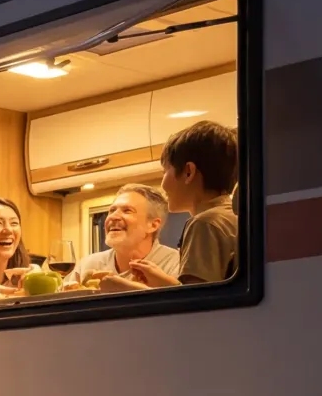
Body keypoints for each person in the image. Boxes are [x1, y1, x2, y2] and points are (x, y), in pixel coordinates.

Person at [101, 121, 239, 290]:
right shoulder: (230, 216)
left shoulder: (205, 223)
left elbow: (195, 305)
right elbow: (204, 291)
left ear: (188, 171)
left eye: (165, 171)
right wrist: (162, 281)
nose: (163, 183)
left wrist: (125, 289)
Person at [75, 184, 181, 287]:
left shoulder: (176, 264)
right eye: (112, 210)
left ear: (153, 225)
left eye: (127, 211)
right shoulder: (88, 265)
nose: (113, 216)